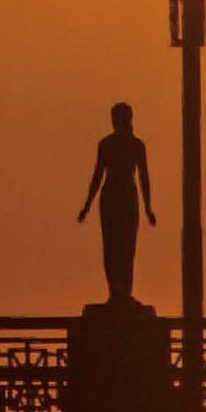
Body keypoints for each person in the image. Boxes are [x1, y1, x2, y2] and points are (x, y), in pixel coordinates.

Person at [78, 102, 156, 302]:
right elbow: (98, 175)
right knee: (111, 245)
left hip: (127, 196)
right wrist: (86, 205)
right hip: (111, 196)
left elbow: (144, 177)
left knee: (127, 246)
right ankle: (114, 291)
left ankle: (124, 292)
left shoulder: (137, 145)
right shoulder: (106, 144)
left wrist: (148, 207)